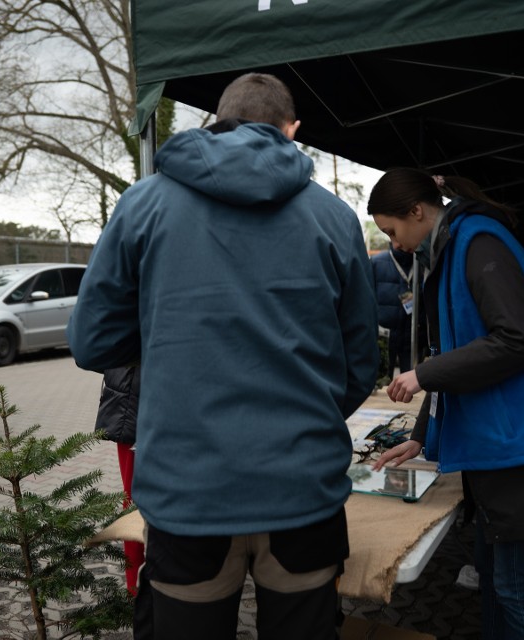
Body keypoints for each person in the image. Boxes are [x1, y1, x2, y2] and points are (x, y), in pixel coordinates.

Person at [67, 72, 379, 640]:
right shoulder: (335, 218)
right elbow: (360, 363)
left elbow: (91, 342)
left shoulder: (144, 204)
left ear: (216, 120)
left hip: (189, 491)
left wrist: (169, 341)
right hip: (302, 488)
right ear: (293, 130)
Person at [367, 168, 524, 639]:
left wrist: (422, 376)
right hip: (501, 445)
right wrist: (419, 437)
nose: (395, 244)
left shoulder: (479, 243)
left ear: (418, 211)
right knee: (497, 581)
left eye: (393, 231)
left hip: (523, 449)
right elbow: (452, 353)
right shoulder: (454, 245)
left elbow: (517, 341)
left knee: (513, 587)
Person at [94, 366, 144, 594]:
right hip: (134, 401)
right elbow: (88, 349)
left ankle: (139, 588)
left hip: (138, 398)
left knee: (135, 500)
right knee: (134, 501)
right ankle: (136, 589)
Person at [371, 243, 420, 375]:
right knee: (381, 382)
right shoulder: (376, 263)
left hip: (413, 337)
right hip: (383, 337)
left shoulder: (421, 263)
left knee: (412, 386)